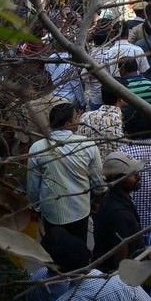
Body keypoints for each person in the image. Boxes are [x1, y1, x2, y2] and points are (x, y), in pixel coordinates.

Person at [27, 102, 103, 247]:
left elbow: (32, 187)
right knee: (79, 247)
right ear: (68, 123)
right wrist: (96, 199)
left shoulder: (37, 148)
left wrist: (34, 207)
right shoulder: (88, 145)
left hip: (52, 212)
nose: (79, 121)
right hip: (80, 210)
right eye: (76, 118)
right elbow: (98, 182)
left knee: (55, 250)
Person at [92, 152, 145, 266]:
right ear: (116, 179)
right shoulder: (119, 214)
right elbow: (121, 262)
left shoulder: (115, 197)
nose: (138, 176)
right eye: (132, 173)